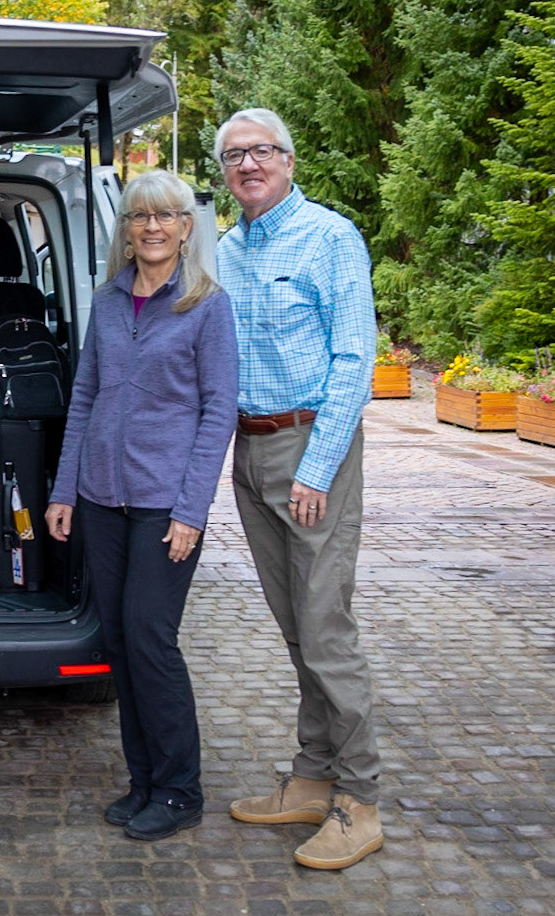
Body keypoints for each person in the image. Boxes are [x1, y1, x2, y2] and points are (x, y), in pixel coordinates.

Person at [44, 170, 238, 841]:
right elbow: (85, 400)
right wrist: (64, 489)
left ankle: (180, 789)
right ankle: (143, 782)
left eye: (165, 215)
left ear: (187, 227)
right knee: (120, 642)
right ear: (124, 230)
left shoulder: (205, 305)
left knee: (151, 640)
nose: (151, 227)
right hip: (100, 499)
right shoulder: (108, 299)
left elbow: (217, 414)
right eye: (138, 216)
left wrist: (190, 512)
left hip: (163, 506)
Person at [214, 108, 382, 870]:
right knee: (293, 628)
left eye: (259, 152)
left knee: (324, 629)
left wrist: (315, 469)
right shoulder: (224, 249)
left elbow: (353, 361)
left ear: (286, 158)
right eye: (232, 157)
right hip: (249, 453)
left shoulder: (329, 237)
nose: (247, 165)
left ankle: (359, 800)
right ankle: (312, 776)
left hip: (313, 447)